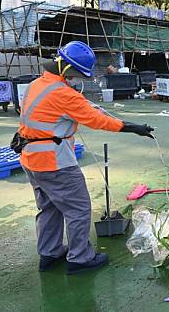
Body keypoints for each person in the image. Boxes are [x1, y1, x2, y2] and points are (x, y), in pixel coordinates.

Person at [18, 41, 154, 275]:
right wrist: (134, 128)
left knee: (49, 207)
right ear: (66, 68)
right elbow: (98, 120)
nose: (77, 79)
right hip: (55, 163)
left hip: (31, 159)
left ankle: (49, 254)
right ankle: (80, 258)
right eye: (76, 74)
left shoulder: (36, 85)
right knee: (78, 208)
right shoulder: (63, 94)